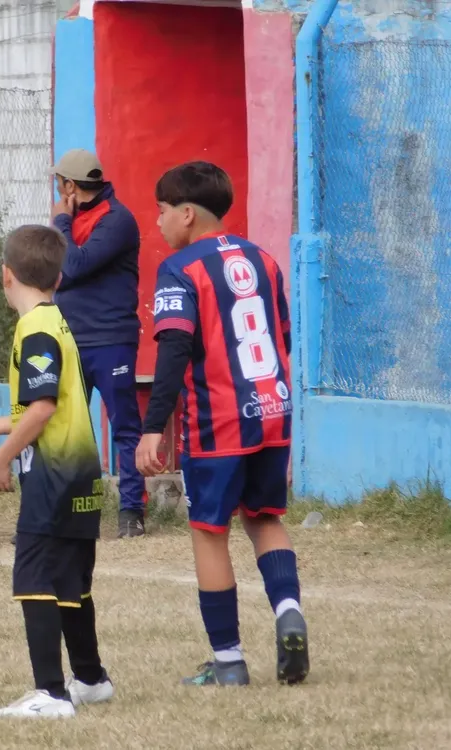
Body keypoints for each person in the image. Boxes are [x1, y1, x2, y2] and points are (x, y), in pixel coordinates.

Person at [135, 161, 309, 686]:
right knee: (264, 518)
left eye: (162, 211)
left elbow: (174, 348)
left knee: (209, 533)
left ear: (187, 214)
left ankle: (229, 662)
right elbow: (282, 337)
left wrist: (152, 426)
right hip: (272, 413)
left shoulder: (181, 269)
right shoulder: (265, 259)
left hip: (218, 422)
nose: (159, 222)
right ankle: (287, 613)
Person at [0, 224, 113, 719]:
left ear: (6, 276)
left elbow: (40, 409)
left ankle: (50, 694)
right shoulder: (58, 322)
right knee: (71, 584)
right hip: (82, 476)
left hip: (54, 480)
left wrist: (0, 458)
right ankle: (90, 679)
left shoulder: (34, 329)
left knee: (35, 577)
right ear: (59, 278)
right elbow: (52, 407)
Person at [49, 149, 145, 537]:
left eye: (60, 183)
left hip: (111, 340)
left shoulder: (116, 220)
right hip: (70, 337)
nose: (57, 190)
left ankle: (131, 512)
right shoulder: (73, 223)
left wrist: (59, 222)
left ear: (71, 186)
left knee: (124, 427)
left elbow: (74, 265)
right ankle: (57, 512)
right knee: (63, 429)